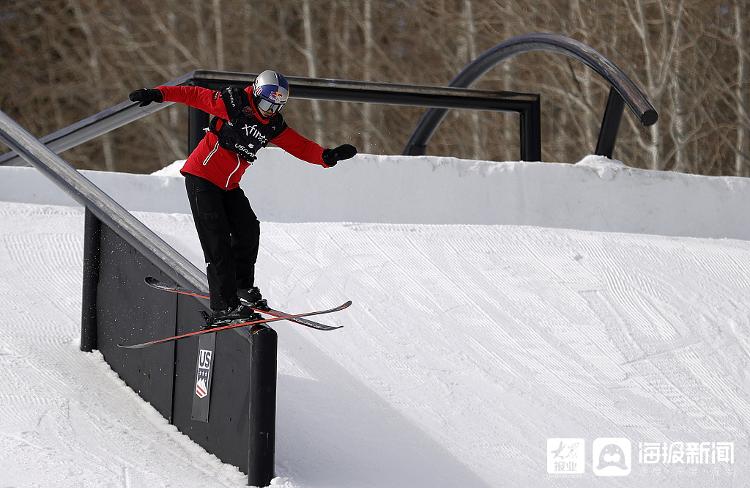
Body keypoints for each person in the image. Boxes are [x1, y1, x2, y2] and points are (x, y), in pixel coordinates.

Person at [129, 70, 357, 326]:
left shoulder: (272, 125)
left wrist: (326, 157)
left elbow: (299, 145)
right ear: (257, 93)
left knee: (248, 230)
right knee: (218, 243)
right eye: (267, 103)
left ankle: (240, 288)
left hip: (228, 186)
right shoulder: (232, 103)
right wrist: (158, 93)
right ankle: (223, 307)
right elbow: (192, 94)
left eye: (276, 106)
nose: (270, 110)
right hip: (202, 178)